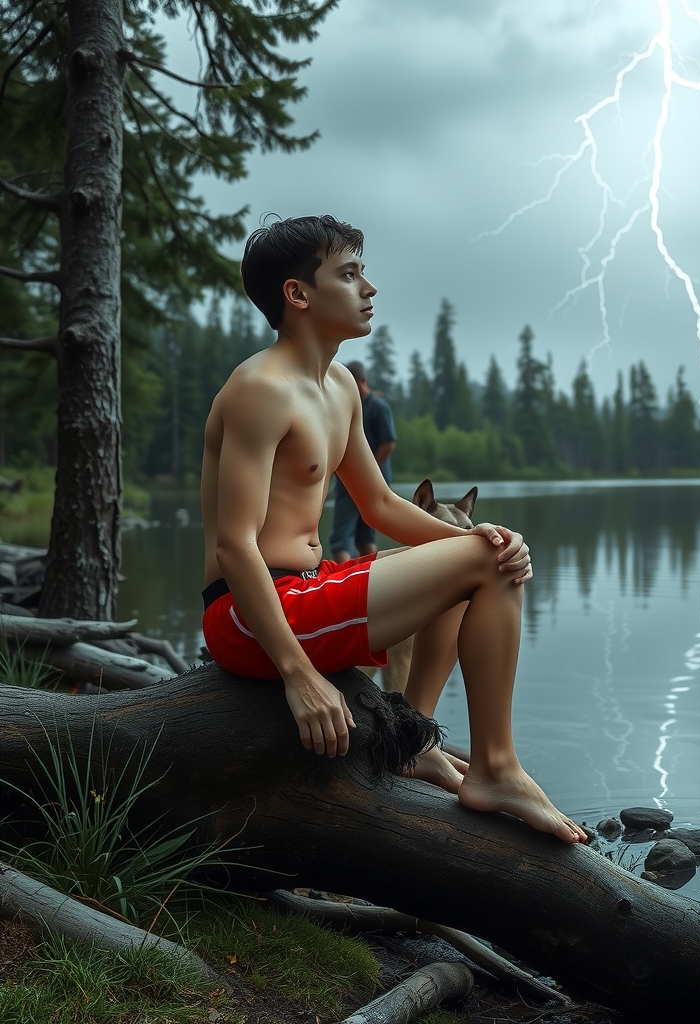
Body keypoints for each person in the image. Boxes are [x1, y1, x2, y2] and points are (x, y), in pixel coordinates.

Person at [199, 215, 584, 844]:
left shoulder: (341, 386)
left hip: (307, 585)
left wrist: (480, 540)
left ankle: (413, 735)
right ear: (298, 295)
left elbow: (377, 504)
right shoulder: (260, 389)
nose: (369, 288)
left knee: (483, 559)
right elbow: (234, 544)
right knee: (478, 565)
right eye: (349, 275)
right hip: (249, 613)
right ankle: (495, 767)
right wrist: (299, 676)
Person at [329, 360, 396, 563]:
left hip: (369, 480)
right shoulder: (346, 407)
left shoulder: (377, 406)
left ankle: (349, 586)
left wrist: (366, 470)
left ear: (363, 381)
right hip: (350, 481)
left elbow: (388, 443)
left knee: (347, 539)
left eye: (352, 383)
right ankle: (362, 584)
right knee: (357, 538)